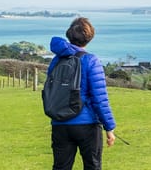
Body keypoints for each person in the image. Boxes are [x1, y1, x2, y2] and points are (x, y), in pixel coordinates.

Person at [48, 17, 117, 170]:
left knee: (60, 167)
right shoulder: (91, 60)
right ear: (89, 37)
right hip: (87, 124)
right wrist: (109, 127)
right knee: (92, 166)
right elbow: (100, 99)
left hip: (60, 122)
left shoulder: (56, 60)